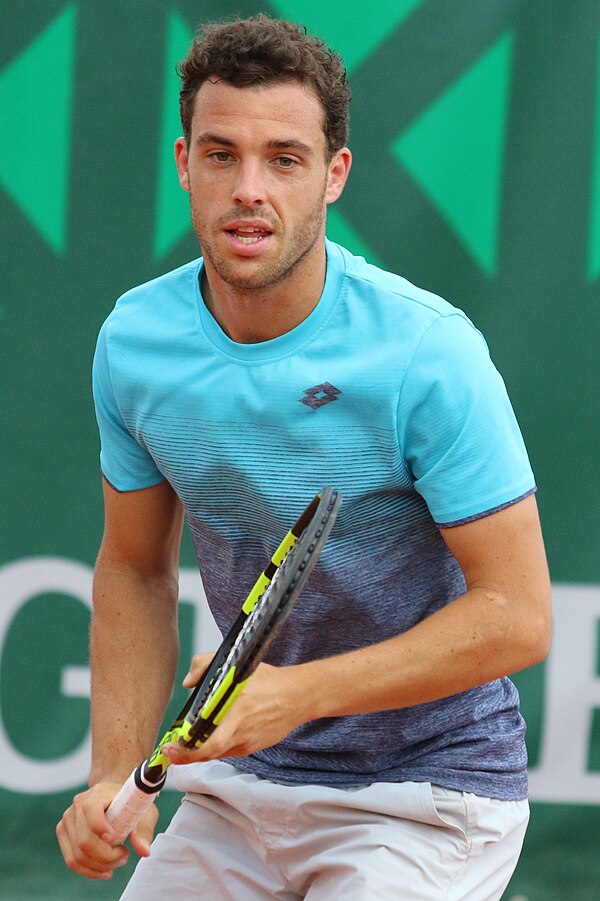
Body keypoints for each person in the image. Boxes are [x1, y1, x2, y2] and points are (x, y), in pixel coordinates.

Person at [56, 14, 552, 900]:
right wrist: (113, 776)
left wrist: (297, 694)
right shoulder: (135, 342)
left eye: (284, 159)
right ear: (184, 164)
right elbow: (133, 568)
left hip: (429, 793)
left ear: (334, 175)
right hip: (240, 789)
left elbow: (518, 614)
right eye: (221, 155)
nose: (250, 188)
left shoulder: (425, 354)